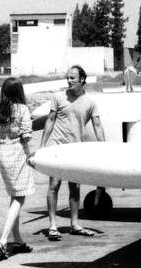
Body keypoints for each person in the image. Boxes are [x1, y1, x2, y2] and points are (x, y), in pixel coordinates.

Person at [39, 65, 106, 240]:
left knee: (75, 187)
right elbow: (50, 120)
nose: (69, 81)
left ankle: (75, 224)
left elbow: (97, 125)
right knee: (54, 185)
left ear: (82, 80)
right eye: (68, 77)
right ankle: (52, 225)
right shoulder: (58, 97)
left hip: (76, 149)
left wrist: (104, 148)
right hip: (57, 147)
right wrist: (43, 145)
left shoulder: (90, 102)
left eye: (72, 78)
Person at [0, 77, 34, 261]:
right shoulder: (23, 109)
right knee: (20, 197)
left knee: (14, 196)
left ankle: (18, 240)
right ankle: (3, 240)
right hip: (18, 153)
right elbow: (26, 136)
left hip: (2, 153)